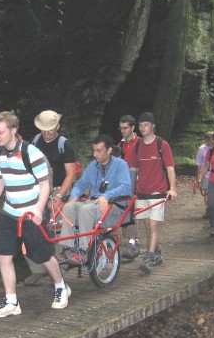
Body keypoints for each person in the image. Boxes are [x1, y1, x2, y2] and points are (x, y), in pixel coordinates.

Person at [0, 111, 71, 318]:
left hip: (31, 212)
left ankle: (60, 286)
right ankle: (11, 302)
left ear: (13, 130)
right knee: (4, 254)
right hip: (10, 212)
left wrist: (38, 210)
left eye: (0, 132)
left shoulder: (32, 153)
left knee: (43, 255)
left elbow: (45, 184)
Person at [23, 110, 78, 286]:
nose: (47, 133)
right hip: (38, 188)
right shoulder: (35, 142)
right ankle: (38, 268)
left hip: (58, 188)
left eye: (50, 129)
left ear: (58, 127)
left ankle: (59, 266)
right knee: (31, 226)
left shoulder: (64, 145)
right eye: (44, 129)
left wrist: (60, 195)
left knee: (56, 228)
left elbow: (71, 174)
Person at [57, 134, 132, 262]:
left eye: (99, 151)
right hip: (93, 203)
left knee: (86, 209)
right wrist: (74, 196)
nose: (95, 154)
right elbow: (80, 184)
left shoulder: (120, 165)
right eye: (94, 150)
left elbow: (126, 187)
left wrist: (106, 196)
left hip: (114, 206)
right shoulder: (93, 165)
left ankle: (84, 251)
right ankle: (68, 248)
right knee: (69, 206)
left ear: (109, 150)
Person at [126, 112, 177, 273]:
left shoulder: (162, 145)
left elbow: (170, 168)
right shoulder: (137, 147)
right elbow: (133, 170)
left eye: (146, 125)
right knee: (148, 225)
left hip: (158, 192)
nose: (143, 128)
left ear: (153, 126)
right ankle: (156, 252)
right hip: (142, 192)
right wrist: (129, 190)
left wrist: (172, 188)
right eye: (140, 125)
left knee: (153, 225)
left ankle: (148, 257)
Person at [116, 115, 141, 261]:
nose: (123, 131)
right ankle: (133, 241)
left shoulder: (141, 144)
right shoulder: (120, 145)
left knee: (130, 211)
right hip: (125, 183)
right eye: (121, 128)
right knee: (125, 210)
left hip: (138, 183)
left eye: (125, 128)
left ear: (132, 128)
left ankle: (134, 242)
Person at [195, 131, 214, 219]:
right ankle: (208, 210)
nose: (213, 141)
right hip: (205, 173)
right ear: (207, 139)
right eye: (211, 139)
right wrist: (198, 176)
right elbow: (199, 163)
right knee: (206, 191)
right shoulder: (202, 148)